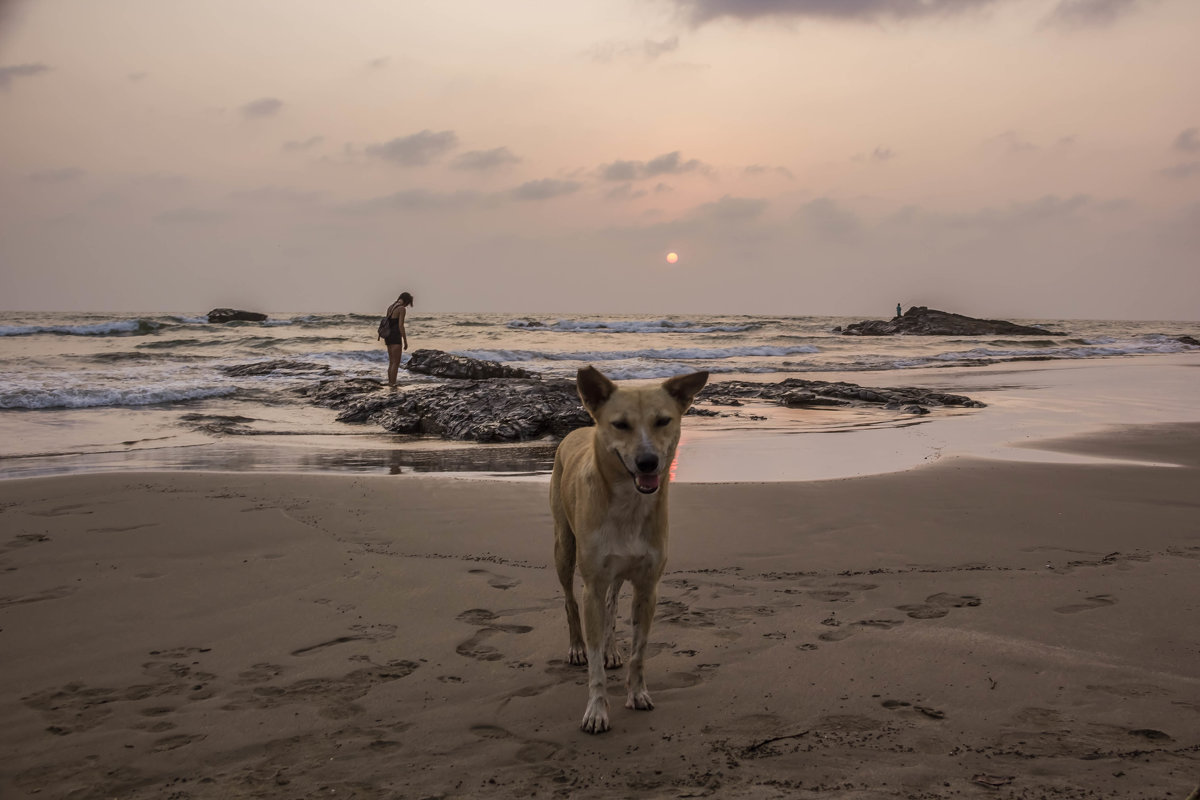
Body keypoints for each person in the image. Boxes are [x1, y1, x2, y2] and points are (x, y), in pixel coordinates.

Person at [382, 291, 413, 387]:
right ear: (406, 301)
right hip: (395, 336)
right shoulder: (401, 309)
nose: (407, 305)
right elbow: (401, 326)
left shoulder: (390, 307)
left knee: (391, 362)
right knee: (396, 362)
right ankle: (393, 383)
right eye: (408, 303)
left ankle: (390, 382)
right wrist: (405, 341)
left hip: (388, 336)